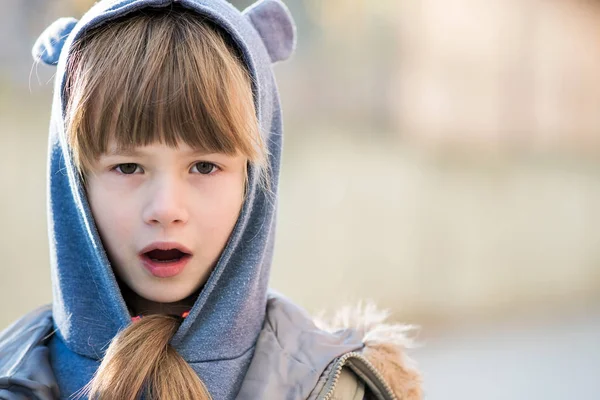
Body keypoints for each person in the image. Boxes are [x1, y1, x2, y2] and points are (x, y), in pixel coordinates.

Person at [0, 0, 422, 399]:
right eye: (128, 167)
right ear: (75, 182)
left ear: (252, 178)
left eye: (204, 166)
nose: (166, 209)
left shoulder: (340, 388)